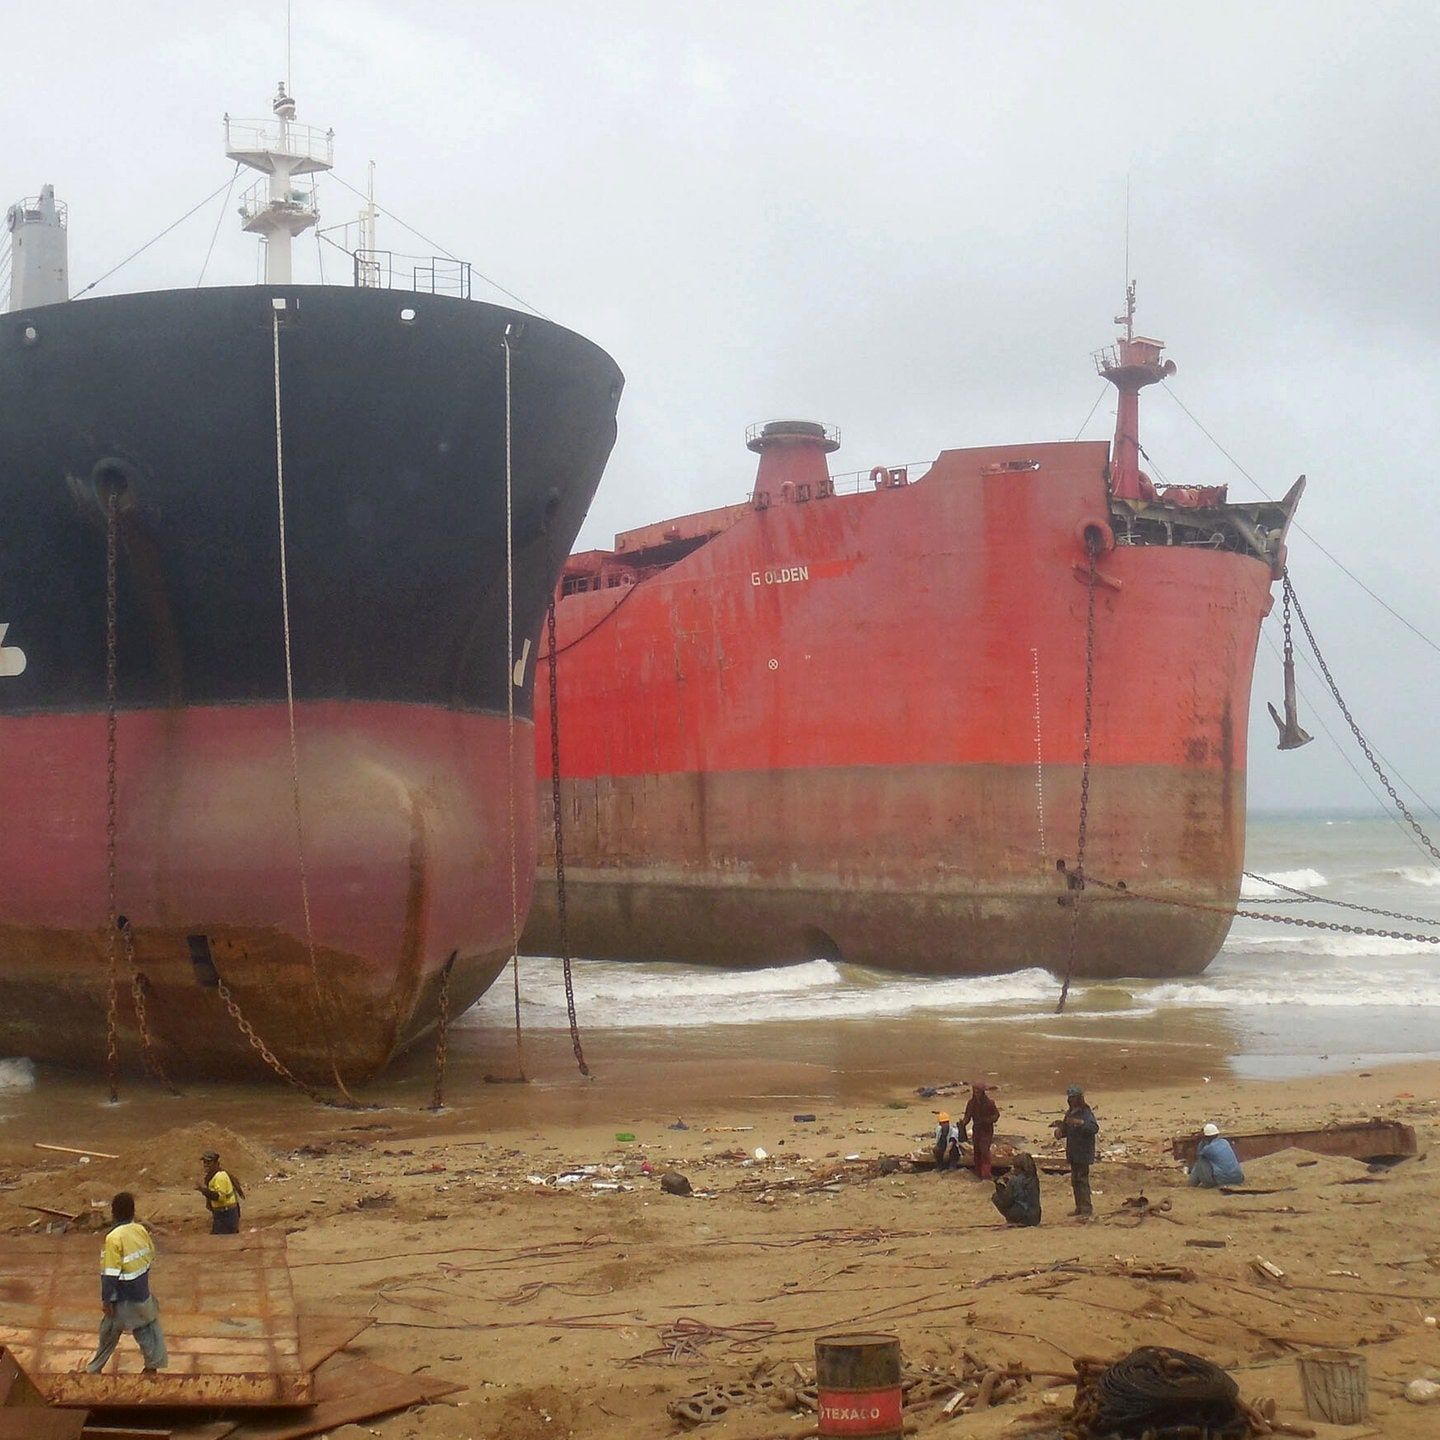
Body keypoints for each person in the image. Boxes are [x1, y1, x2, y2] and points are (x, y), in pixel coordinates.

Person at [87, 1191, 167, 1374]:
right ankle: (151, 1367)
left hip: (123, 1297)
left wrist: (107, 1300)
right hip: (141, 1291)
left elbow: (110, 1275)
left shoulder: (113, 1238)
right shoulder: (140, 1230)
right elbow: (150, 1256)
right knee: (147, 1329)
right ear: (133, 1212)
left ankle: (94, 1370)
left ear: (114, 1213)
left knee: (110, 1333)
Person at [1052, 1083, 1099, 1218]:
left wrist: (1081, 1123)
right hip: (1073, 1152)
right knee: (1075, 1181)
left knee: (1082, 1180)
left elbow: (1094, 1128)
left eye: (1073, 1098)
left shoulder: (1086, 1113)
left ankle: (1086, 1208)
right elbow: (1066, 1130)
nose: (1071, 1101)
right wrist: (1060, 1132)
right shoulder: (1069, 1113)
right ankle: (1079, 1206)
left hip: (1083, 1152)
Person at [197, 1150, 245, 1234]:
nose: (205, 1165)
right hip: (223, 1213)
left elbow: (219, 1197)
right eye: (204, 1162)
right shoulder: (213, 1176)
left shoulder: (220, 1177)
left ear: (216, 1163)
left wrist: (203, 1190)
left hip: (226, 1215)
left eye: (209, 1162)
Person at [991, 1152, 1041, 1226]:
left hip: (1021, 1213)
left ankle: (1012, 1219)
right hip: (1035, 1217)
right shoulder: (1034, 1179)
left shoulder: (1014, 1180)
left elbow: (1007, 1201)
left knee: (995, 1197)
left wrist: (1000, 1189)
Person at [1189, 1123, 1245, 1188]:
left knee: (1200, 1161)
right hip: (1238, 1178)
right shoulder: (1225, 1142)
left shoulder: (1208, 1149)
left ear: (1206, 1137)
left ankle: (1191, 1185)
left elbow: (1198, 1155)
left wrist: (1201, 1140)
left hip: (1223, 1180)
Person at [962, 1082, 999, 1179]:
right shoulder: (971, 1103)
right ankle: (978, 1173)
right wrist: (963, 1123)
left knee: (984, 1151)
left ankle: (986, 1174)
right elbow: (967, 1116)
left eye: (978, 1091)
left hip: (987, 1130)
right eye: (974, 1091)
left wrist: (987, 1120)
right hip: (977, 1129)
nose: (976, 1093)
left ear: (982, 1092)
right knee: (977, 1152)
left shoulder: (989, 1103)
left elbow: (996, 1115)